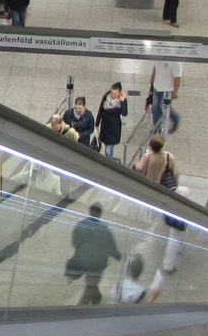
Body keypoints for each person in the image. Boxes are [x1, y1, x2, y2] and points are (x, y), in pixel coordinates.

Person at [133, 134, 186, 272]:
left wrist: (135, 165)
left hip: (152, 190)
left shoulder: (148, 156)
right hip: (167, 191)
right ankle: (173, 248)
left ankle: (149, 239)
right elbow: (176, 174)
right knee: (172, 225)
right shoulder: (169, 157)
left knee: (153, 216)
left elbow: (140, 169)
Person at [65, 202, 120, 305]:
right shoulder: (104, 229)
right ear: (100, 214)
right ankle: (80, 310)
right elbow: (111, 247)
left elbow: (74, 242)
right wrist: (118, 255)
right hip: (97, 265)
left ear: (90, 211)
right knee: (90, 286)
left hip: (81, 260)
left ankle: (96, 299)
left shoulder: (81, 224)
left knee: (91, 286)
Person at [148, 61, 182, 134]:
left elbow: (177, 78)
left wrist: (175, 92)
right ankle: (157, 128)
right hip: (156, 87)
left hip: (167, 90)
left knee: (163, 107)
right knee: (155, 108)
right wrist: (152, 77)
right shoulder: (159, 56)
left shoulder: (176, 62)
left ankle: (176, 118)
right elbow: (155, 67)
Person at [96, 83, 128, 159]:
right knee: (106, 147)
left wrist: (123, 102)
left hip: (114, 127)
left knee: (108, 149)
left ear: (120, 92)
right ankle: (109, 160)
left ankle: (110, 164)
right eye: (112, 93)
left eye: (115, 94)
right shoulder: (106, 97)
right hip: (105, 125)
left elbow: (124, 113)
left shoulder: (122, 101)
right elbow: (101, 110)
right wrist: (97, 123)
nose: (113, 95)